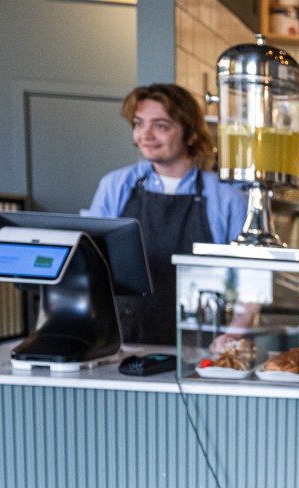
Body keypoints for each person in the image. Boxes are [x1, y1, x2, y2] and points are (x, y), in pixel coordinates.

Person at [89, 83, 247, 345]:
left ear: (191, 134)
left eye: (160, 126)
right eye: (139, 124)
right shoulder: (115, 186)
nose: (146, 135)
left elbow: (251, 279)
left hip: (202, 341)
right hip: (125, 339)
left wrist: (233, 334)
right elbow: (91, 261)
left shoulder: (228, 197)